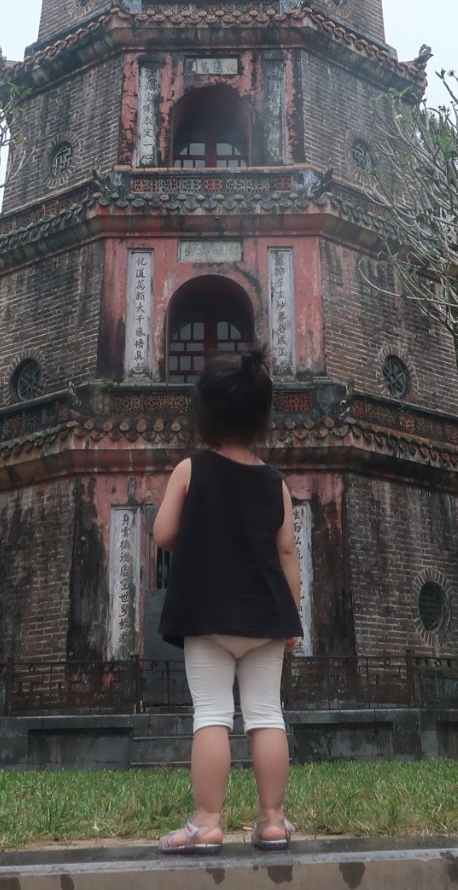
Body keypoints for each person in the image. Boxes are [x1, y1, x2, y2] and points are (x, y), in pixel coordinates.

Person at [153, 347, 302, 855]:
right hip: (265, 617)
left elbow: (163, 534)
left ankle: (208, 821)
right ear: (262, 418)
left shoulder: (189, 470)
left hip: (208, 614)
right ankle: (274, 820)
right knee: (266, 715)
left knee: (211, 714)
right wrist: (293, 619)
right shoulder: (276, 484)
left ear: (204, 414)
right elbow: (287, 554)